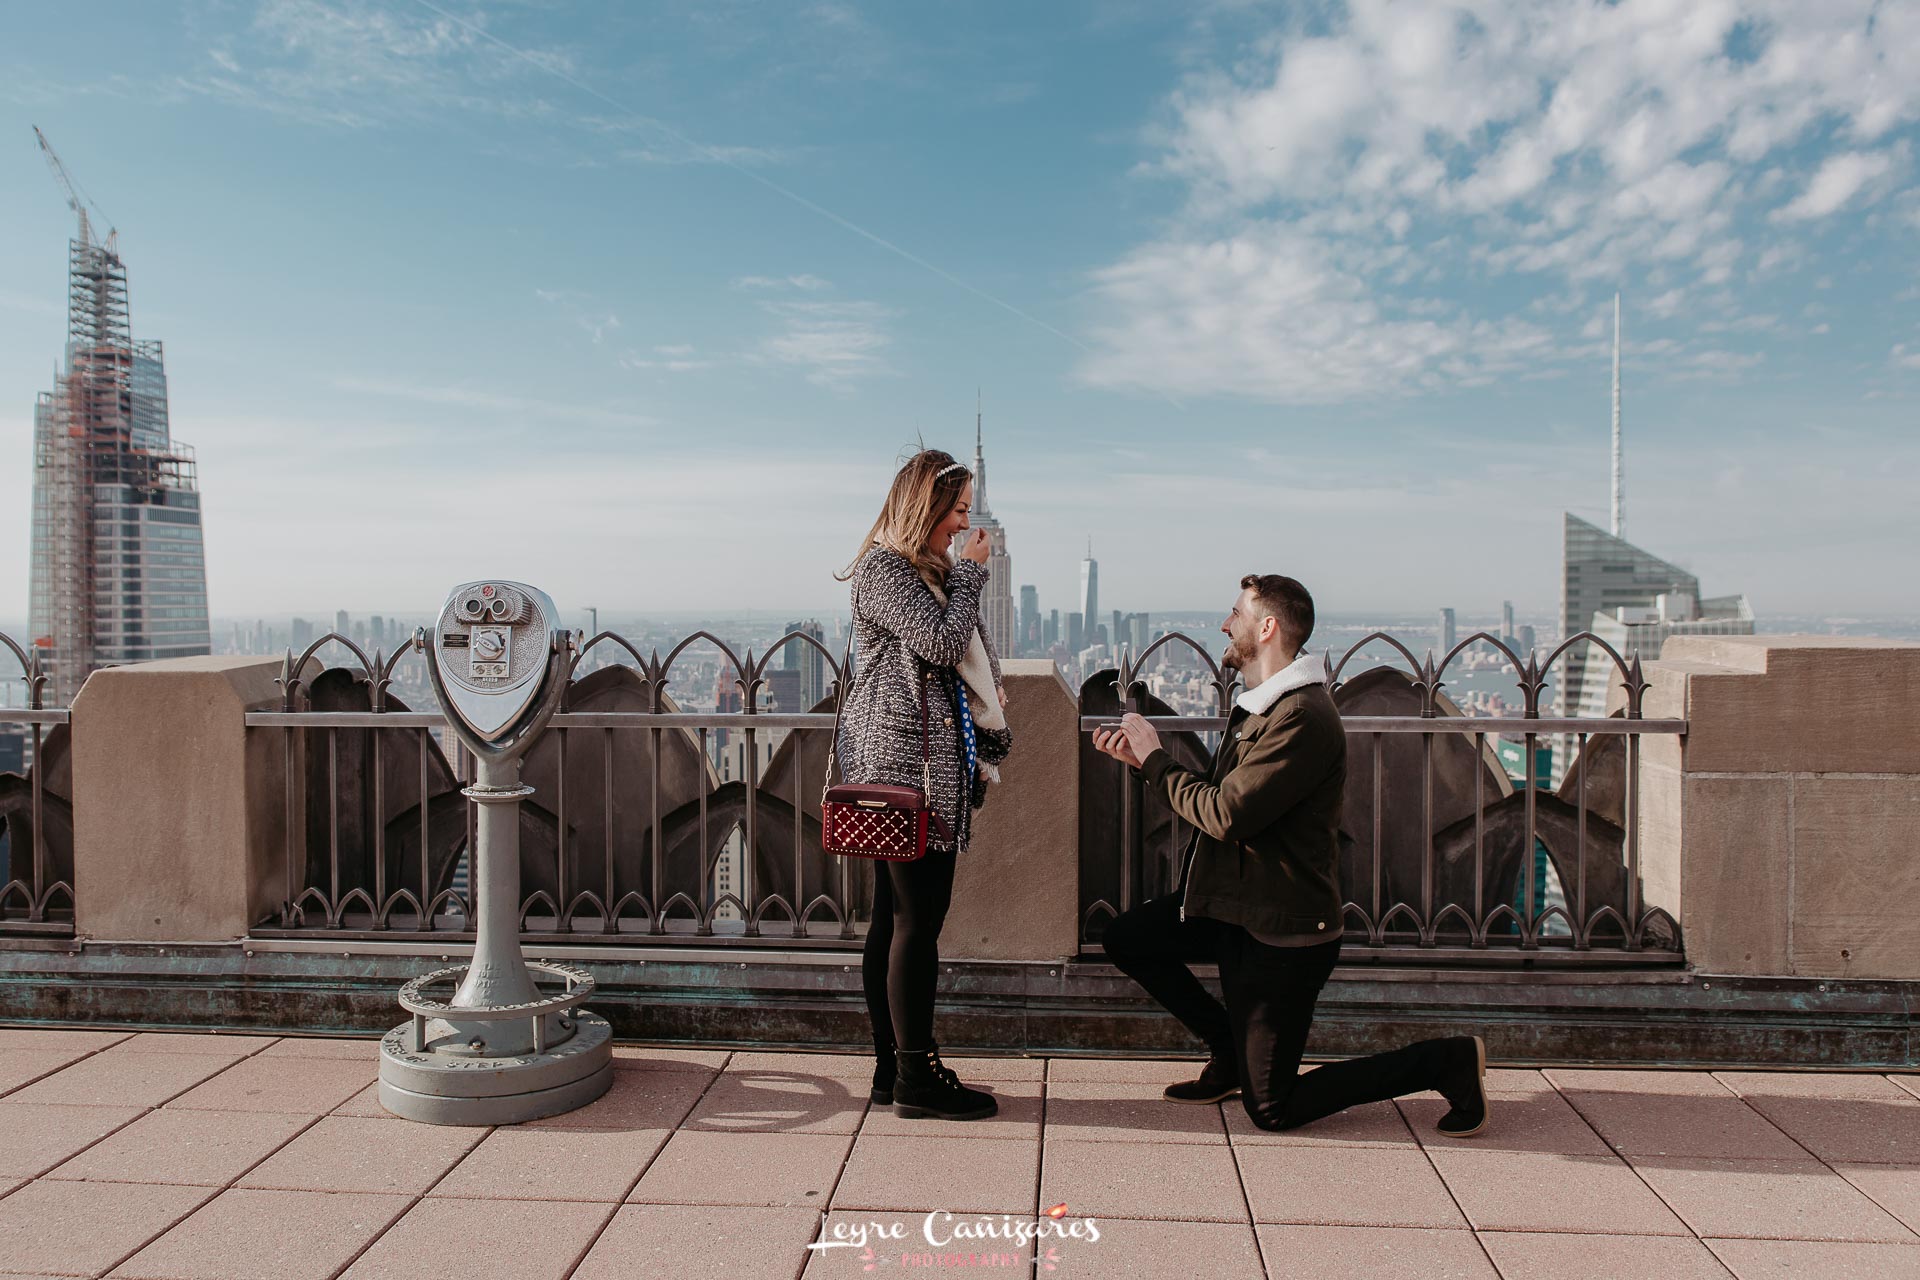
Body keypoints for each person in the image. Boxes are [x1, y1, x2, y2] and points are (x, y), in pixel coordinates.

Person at [1091, 574, 1490, 1137]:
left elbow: (1227, 815)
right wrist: (1143, 764)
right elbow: (1221, 798)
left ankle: (1444, 1061)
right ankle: (1230, 1050)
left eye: (1236, 613)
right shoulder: (1261, 705)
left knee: (1273, 1110)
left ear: (1268, 627)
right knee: (1128, 938)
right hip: (1232, 905)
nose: (1226, 624)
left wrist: (1155, 759)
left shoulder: (1301, 716)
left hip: (1281, 933)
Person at [834, 448, 1013, 1121]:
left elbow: (957, 653)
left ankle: (893, 1068)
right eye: (958, 511)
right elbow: (941, 644)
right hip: (903, 774)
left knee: (895, 919)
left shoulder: (920, 572)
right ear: (927, 507)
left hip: (919, 770)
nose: (965, 525)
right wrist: (971, 572)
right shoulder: (885, 570)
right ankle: (916, 1075)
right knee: (917, 922)